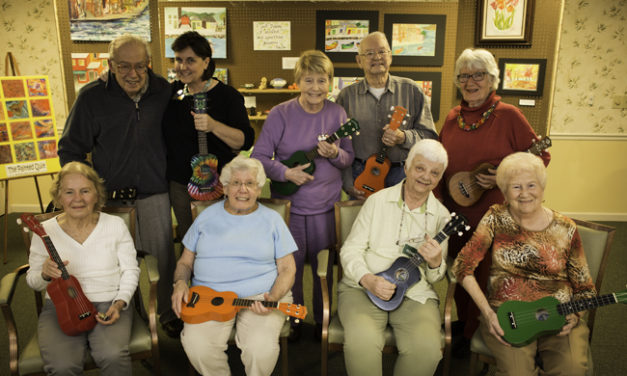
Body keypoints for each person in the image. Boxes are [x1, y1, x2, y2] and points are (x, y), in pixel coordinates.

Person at [57, 34, 180, 336]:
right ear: (110, 65)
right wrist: (87, 191)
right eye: (124, 66)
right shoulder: (91, 97)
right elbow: (70, 149)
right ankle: (124, 315)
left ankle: (164, 315)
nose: (133, 74)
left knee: (161, 259)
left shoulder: (165, 92)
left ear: (149, 64)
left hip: (154, 193)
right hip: (109, 200)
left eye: (140, 65)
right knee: (114, 265)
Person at [437, 48, 551, 346]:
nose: (470, 82)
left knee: (490, 275)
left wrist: (505, 176)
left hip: (495, 214)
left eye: (478, 75)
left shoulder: (509, 115)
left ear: (492, 80)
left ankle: (489, 334)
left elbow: (542, 157)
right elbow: (439, 160)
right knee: (462, 272)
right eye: (464, 75)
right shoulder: (453, 117)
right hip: (456, 212)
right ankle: (464, 329)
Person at [452, 152, 595, 375]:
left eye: (531, 185)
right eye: (516, 187)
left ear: (542, 188)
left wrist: (576, 316)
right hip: (507, 315)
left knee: (572, 369)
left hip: (558, 313)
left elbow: (585, 288)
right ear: (504, 192)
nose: (525, 193)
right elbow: (462, 267)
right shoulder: (495, 218)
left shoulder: (566, 228)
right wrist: (488, 313)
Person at [251, 49, 354, 340]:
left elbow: (348, 158)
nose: (316, 88)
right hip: (290, 209)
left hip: (326, 208)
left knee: (324, 272)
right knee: (290, 270)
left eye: (322, 81)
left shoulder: (337, 113)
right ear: (298, 81)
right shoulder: (281, 113)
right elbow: (259, 156)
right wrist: (286, 173)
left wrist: (334, 153)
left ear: (330, 83)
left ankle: (322, 322)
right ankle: (295, 321)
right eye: (309, 80)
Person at [171, 155, 297, 376]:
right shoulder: (206, 217)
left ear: (259, 189)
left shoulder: (272, 220)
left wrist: (274, 297)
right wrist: (180, 282)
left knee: (261, 349)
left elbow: (288, 268)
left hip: (261, 295)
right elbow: (185, 261)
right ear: (225, 187)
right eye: (236, 183)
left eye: (250, 183)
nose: (243, 190)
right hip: (209, 296)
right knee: (198, 345)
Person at [338, 139, 450, 376]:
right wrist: (368, 280)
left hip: (414, 294)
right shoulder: (377, 201)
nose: (426, 177)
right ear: (407, 167)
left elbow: (437, 276)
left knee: (427, 350)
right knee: (362, 342)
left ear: (439, 178)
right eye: (420, 168)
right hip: (363, 289)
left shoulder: (442, 216)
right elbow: (350, 250)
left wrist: (435, 262)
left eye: (434, 173)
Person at [26, 162, 140, 375]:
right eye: (69, 192)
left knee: (112, 356)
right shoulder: (44, 232)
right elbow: (33, 281)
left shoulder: (115, 225)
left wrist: (120, 302)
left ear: (97, 195)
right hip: (61, 307)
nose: (77, 199)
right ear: (59, 197)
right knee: (62, 366)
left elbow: (131, 270)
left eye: (85, 191)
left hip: (109, 302)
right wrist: (44, 273)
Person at [163, 31, 255, 241]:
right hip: (181, 185)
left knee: (223, 240)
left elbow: (245, 140)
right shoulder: (171, 92)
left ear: (205, 62)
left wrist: (213, 125)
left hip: (219, 184)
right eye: (178, 60)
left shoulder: (228, 96)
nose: (182, 66)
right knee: (190, 240)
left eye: (190, 60)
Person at [336, 31, 438, 200]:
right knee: (364, 225)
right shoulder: (346, 97)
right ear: (359, 61)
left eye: (382, 51)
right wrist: (347, 183)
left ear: (391, 56)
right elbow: (340, 145)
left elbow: (430, 138)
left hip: (402, 176)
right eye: (369, 53)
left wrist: (403, 137)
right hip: (360, 176)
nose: (377, 57)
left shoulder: (412, 91)